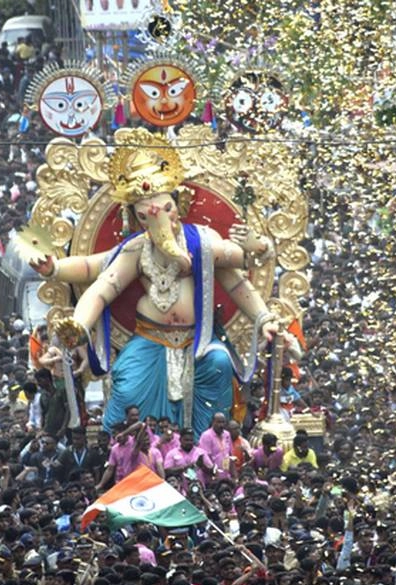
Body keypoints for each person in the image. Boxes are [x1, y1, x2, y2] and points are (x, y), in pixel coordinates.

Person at [34, 130, 278, 437]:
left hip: (198, 341)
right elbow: (100, 285)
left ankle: (208, 449)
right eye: (148, 216)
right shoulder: (136, 249)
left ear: (179, 206)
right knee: (127, 381)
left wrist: (263, 306)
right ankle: (132, 451)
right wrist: (77, 322)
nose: (162, 220)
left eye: (167, 210)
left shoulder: (202, 243)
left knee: (219, 365)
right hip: (150, 339)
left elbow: (238, 281)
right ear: (136, 220)